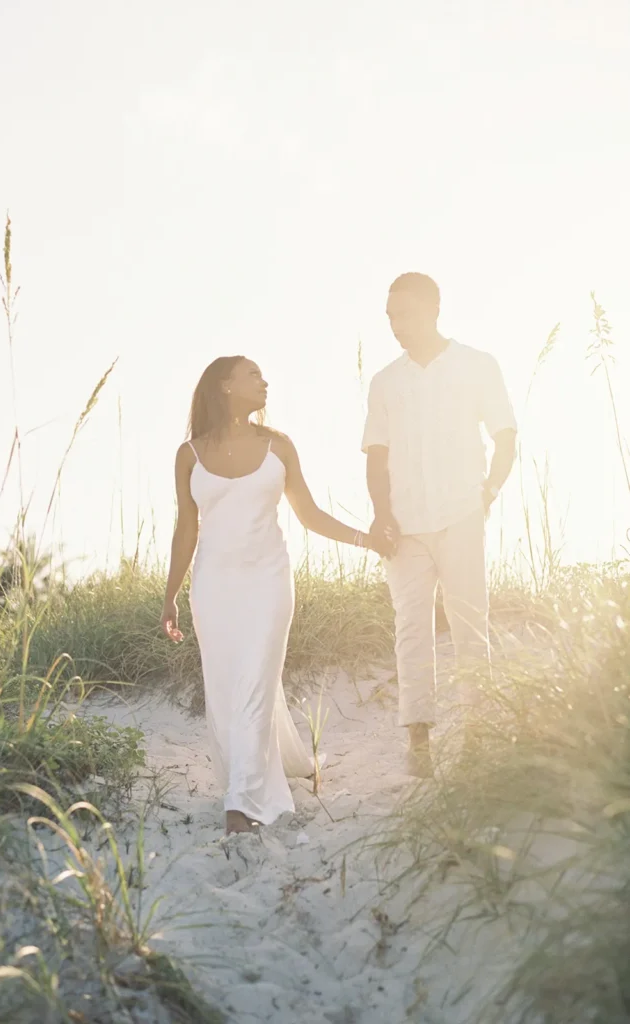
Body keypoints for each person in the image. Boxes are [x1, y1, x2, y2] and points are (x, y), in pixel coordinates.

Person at [162, 355, 378, 834]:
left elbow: (310, 515)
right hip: (213, 586)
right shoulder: (189, 454)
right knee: (225, 687)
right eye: (253, 374)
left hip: (268, 581)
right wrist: (171, 595)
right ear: (224, 386)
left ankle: (241, 803)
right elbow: (185, 531)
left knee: (258, 679)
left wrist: (366, 540)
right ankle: (276, 764)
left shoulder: (279, 446)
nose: (264, 382)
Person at [362, 273, 517, 777]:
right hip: (404, 527)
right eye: (389, 317)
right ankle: (419, 741)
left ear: (433, 309)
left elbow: (505, 436)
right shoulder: (385, 381)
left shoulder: (477, 365)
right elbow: (376, 454)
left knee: (472, 623)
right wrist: (382, 515)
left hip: (460, 516)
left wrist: (488, 491)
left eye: (402, 314)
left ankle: (478, 735)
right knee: (411, 629)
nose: (394, 326)